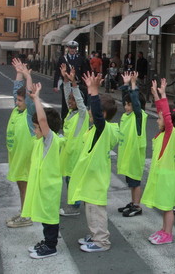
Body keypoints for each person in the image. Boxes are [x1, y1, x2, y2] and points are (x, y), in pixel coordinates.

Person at [68, 72, 119, 252]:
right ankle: (95, 234)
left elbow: (97, 115)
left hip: (96, 177)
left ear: (103, 115)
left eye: (93, 110)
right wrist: (91, 92)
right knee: (90, 209)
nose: (90, 112)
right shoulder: (100, 129)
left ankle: (101, 241)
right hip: (91, 175)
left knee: (96, 210)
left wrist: (94, 92)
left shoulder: (102, 129)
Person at [23, 83, 63, 259]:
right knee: (45, 218)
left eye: (36, 127)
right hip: (42, 185)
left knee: (50, 217)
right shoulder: (40, 141)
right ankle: (47, 241)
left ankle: (51, 246)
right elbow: (33, 120)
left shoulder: (51, 141)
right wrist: (32, 99)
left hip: (49, 186)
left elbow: (42, 120)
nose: (35, 129)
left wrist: (37, 98)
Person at [142, 79, 175, 245]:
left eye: (160, 120)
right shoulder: (166, 134)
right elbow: (163, 113)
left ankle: (168, 234)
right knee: (165, 208)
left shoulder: (170, 135)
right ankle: (164, 230)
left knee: (167, 208)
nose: (157, 121)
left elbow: (165, 116)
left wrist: (164, 94)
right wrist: (157, 95)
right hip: (162, 176)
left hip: (167, 178)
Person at [6, 59, 36, 228]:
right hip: (17, 157)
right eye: (16, 100)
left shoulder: (29, 114)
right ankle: (24, 210)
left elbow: (29, 96)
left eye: (19, 101)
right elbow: (17, 91)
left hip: (26, 161)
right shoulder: (18, 111)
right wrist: (18, 73)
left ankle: (26, 216)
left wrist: (27, 77)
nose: (16, 102)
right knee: (21, 186)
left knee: (25, 187)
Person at [58, 65, 89, 217]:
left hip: (76, 153)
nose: (70, 101)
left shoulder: (82, 115)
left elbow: (77, 98)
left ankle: (75, 206)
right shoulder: (71, 112)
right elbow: (66, 95)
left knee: (73, 180)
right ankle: (74, 202)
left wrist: (74, 84)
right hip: (68, 152)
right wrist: (65, 79)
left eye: (73, 99)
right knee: (68, 180)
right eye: (69, 99)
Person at [117, 72, 148, 217]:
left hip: (135, 157)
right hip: (128, 156)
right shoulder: (127, 116)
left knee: (135, 183)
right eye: (126, 105)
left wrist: (134, 85)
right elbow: (127, 98)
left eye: (129, 105)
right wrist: (126, 85)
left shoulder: (138, 117)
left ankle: (137, 205)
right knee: (131, 182)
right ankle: (132, 202)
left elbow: (135, 103)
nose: (126, 107)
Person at [53, 41, 89, 120]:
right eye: (71, 48)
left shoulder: (81, 58)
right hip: (67, 84)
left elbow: (85, 72)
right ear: (68, 48)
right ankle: (64, 120)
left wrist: (87, 84)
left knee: (78, 101)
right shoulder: (63, 58)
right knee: (66, 103)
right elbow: (57, 72)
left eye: (74, 48)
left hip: (77, 84)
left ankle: (78, 119)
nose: (72, 50)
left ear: (76, 49)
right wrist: (55, 85)